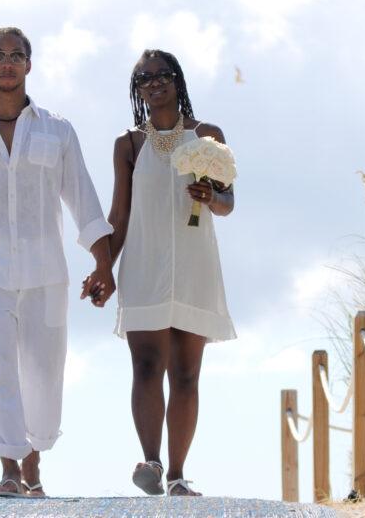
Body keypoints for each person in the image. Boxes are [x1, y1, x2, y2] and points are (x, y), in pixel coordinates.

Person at [0, 27, 115, 499]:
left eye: (16, 55)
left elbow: (85, 201)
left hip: (45, 269)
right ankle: (10, 470)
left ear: (29, 65)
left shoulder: (58, 130)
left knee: (43, 371)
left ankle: (33, 468)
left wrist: (104, 264)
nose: (7, 63)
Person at [84, 48, 236, 497]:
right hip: (145, 266)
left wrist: (211, 197)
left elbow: (228, 204)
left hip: (195, 267)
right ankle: (149, 461)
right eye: (144, 79)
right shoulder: (128, 145)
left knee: (186, 373)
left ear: (177, 80)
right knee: (147, 365)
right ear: (137, 91)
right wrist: (102, 268)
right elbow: (119, 215)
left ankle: (177, 474)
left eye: (162, 75)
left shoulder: (207, 137)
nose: (154, 83)